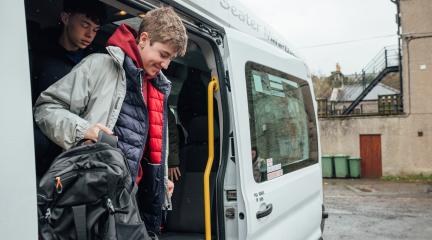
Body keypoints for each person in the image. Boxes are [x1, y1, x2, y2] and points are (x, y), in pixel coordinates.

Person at [34, 6, 188, 234]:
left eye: (171, 59)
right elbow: (46, 109)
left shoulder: (158, 89)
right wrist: (84, 130)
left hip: (135, 204)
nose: (166, 65)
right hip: (95, 200)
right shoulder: (100, 65)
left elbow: (147, 148)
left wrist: (161, 179)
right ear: (144, 39)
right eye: (163, 55)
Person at [31, 0, 106, 178]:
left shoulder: (95, 65)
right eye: (85, 25)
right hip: (36, 154)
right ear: (65, 18)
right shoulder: (37, 55)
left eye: (95, 30)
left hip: (71, 160)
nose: (90, 34)